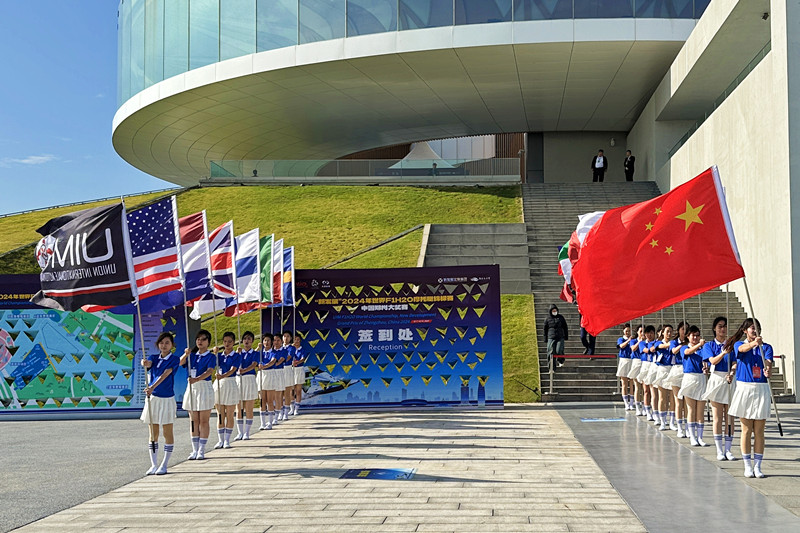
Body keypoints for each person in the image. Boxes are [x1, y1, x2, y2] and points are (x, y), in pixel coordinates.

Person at [726, 318, 773, 478]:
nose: (755, 330)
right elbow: (742, 349)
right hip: (744, 387)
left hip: (761, 388)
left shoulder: (767, 347)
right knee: (746, 429)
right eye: (752, 327)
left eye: (757, 327)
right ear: (745, 330)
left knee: (759, 430)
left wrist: (767, 371)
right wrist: (754, 343)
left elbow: (768, 364)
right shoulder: (740, 345)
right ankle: (747, 465)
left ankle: (758, 466)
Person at [140, 332, 179, 475]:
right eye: (161, 343)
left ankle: (164, 464)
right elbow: (149, 364)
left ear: (172, 345)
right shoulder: (154, 357)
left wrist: (152, 387)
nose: (164, 345)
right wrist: (144, 363)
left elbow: (165, 374)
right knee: (153, 433)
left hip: (167, 399)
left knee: (167, 432)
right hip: (153, 399)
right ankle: (154, 464)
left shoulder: (174, 359)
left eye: (167, 343)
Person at [701, 317, 736, 460]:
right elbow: (712, 361)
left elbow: (734, 362)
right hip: (716, 379)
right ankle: (719, 450)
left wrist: (732, 373)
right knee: (718, 417)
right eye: (720, 326)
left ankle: (728, 449)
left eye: (725, 326)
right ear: (714, 328)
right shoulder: (709, 345)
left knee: (730, 417)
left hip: (729, 379)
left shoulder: (732, 345)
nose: (723, 329)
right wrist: (723, 352)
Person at [181, 329, 216, 460]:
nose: (200, 341)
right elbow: (180, 363)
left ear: (208, 342)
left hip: (204, 387)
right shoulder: (191, 355)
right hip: (192, 388)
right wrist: (186, 354)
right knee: (193, 420)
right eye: (198, 339)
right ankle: (194, 449)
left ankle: (202, 449)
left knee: (203, 420)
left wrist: (197, 379)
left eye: (203, 339)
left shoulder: (211, 356)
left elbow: (210, 371)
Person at [678, 325, 708, 446]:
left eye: (697, 335)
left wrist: (706, 368)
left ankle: (700, 437)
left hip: (701, 378)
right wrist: (699, 344)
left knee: (700, 410)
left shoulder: (702, 350)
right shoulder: (684, 347)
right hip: (689, 378)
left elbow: (706, 361)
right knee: (691, 409)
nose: (695, 337)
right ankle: (692, 436)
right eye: (693, 335)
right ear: (688, 336)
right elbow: (688, 352)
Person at [213, 332, 241, 449]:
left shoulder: (237, 356)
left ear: (233, 342)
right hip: (219, 384)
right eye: (225, 341)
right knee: (220, 414)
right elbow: (212, 365)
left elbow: (233, 369)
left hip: (230, 383)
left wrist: (223, 376)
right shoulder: (219, 355)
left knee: (229, 414)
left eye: (229, 341)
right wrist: (215, 354)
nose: (227, 344)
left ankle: (227, 440)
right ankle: (220, 440)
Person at [234, 331, 259, 441]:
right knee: (239, 408)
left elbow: (254, 365)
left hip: (249, 379)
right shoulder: (239, 353)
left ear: (252, 341)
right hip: (239, 380)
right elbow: (233, 363)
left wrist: (244, 370)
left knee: (249, 408)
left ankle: (247, 432)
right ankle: (240, 432)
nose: (246, 341)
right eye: (245, 339)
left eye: (249, 339)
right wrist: (237, 353)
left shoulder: (255, 353)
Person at [668, 322, 687, 436]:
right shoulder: (674, 342)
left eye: (686, 329)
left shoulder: (690, 342)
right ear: (679, 330)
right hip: (677, 370)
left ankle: (688, 427)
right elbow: (674, 351)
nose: (684, 331)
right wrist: (683, 345)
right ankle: (679, 427)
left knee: (687, 402)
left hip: (687, 371)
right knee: (678, 401)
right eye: (683, 329)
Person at [654, 324, 674, 431]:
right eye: (667, 331)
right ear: (662, 333)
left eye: (671, 331)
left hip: (672, 369)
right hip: (662, 369)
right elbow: (659, 347)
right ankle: (662, 421)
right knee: (662, 397)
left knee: (672, 398)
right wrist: (670, 344)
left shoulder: (673, 343)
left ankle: (672, 422)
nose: (669, 333)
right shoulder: (659, 342)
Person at [627, 325, 645, 415]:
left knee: (645, 388)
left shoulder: (646, 341)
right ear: (637, 332)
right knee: (637, 387)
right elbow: (633, 348)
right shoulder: (633, 341)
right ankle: (637, 407)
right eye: (641, 331)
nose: (642, 333)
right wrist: (639, 342)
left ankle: (645, 406)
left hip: (645, 362)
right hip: (636, 362)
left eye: (643, 331)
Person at [615, 324, 634, 410]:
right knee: (624, 383)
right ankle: (626, 403)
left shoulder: (633, 340)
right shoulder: (621, 339)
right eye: (626, 331)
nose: (628, 332)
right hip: (624, 360)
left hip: (631, 360)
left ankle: (632, 403)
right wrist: (628, 341)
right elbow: (621, 346)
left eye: (629, 331)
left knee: (632, 383)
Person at [291, 334, 307, 415]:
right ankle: (291, 408)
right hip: (291, 370)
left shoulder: (302, 350)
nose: (296, 341)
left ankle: (296, 409)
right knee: (291, 390)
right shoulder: (291, 349)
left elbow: (303, 359)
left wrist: (297, 362)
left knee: (298, 391)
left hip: (299, 370)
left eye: (298, 339)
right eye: (295, 339)